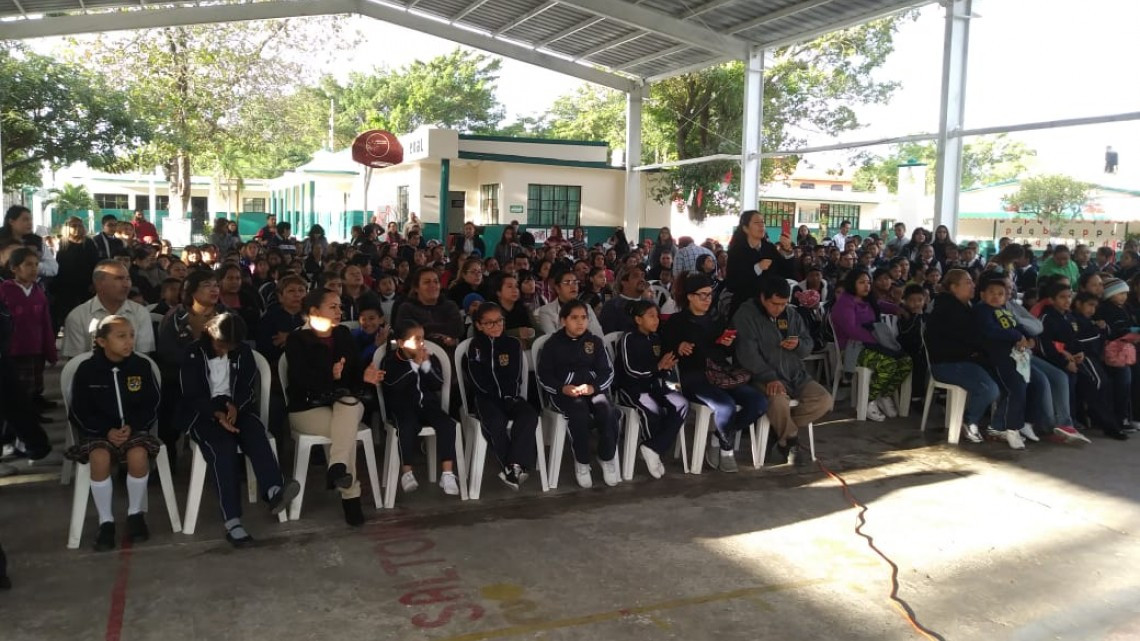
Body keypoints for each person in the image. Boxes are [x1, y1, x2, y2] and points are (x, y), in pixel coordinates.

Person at [178, 314, 301, 546]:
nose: (226, 351)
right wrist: (216, 414)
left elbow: (246, 386)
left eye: (231, 347)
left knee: (256, 434)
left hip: (236, 408)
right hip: (204, 413)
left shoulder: (243, 352)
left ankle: (274, 489)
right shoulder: (193, 353)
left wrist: (235, 406)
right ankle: (232, 520)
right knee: (222, 450)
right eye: (222, 345)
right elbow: (191, 394)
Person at [285, 289, 384, 525]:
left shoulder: (342, 335)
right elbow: (300, 381)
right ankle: (350, 495)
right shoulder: (297, 340)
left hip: (344, 403)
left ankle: (338, 468)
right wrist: (329, 376)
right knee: (344, 430)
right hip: (308, 407)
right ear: (313, 311)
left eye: (340, 306)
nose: (340, 311)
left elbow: (354, 377)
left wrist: (366, 376)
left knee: (348, 407)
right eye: (333, 307)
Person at [66, 316, 162, 551]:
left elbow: (152, 403)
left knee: (138, 456)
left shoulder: (141, 366)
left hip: (133, 430)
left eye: (131, 335)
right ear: (101, 341)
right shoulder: (88, 370)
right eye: (121, 336)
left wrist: (134, 425)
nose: (129, 341)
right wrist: (105, 431)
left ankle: (135, 514)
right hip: (99, 432)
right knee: (99, 459)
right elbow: (79, 410)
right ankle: (106, 521)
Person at [662, 274, 766, 472]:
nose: (707, 299)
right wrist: (679, 347)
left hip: (721, 373)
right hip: (695, 377)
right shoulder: (677, 322)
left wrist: (728, 344)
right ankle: (726, 449)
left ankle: (720, 436)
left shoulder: (716, 318)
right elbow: (666, 348)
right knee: (725, 406)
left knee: (758, 402)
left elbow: (727, 351)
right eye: (702, 295)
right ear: (690, 297)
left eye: (710, 295)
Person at [733, 277, 830, 466]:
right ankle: (789, 439)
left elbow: (808, 343)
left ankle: (777, 430)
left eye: (784, 304)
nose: (779, 308)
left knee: (824, 400)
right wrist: (769, 377)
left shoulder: (791, 314)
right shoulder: (745, 315)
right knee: (778, 401)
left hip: (795, 374)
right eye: (775, 304)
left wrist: (799, 345)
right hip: (761, 375)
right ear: (763, 298)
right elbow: (747, 354)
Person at [537, 300, 622, 488]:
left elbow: (607, 372)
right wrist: (562, 388)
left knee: (608, 411)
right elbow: (545, 376)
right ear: (563, 321)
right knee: (579, 413)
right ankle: (582, 462)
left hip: (592, 390)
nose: (580, 322)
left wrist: (594, 388)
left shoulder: (594, 342)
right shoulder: (553, 345)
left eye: (584, 318)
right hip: (565, 394)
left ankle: (606, 457)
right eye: (574, 318)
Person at [381, 319, 461, 496]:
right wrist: (414, 365)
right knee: (407, 426)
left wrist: (426, 365)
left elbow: (438, 383)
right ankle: (407, 471)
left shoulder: (426, 357)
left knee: (447, 424)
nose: (421, 343)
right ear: (401, 343)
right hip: (402, 407)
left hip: (427, 405)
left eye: (422, 338)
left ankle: (447, 473)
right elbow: (393, 385)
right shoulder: (391, 360)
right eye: (416, 339)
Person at [464, 302, 539, 489]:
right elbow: (476, 377)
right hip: (486, 399)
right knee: (495, 421)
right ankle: (514, 468)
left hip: (510, 396)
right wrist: (492, 396)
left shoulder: (512, 344)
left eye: (499, 321)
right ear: (479, 325)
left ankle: (512, 467)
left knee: (529, 415)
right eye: (489, 323)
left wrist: (507, 396)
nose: (495, 326)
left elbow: (514, 375)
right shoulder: (475, 346)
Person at [925, 270, 1002, 443]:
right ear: (953, 287)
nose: (973, 285)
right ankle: (969, 421)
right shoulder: (948, 309)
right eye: (967, 282)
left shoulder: (966, 307)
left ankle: (1000, 425)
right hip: (947, 364)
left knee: (1004, 377)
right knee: (989, 388)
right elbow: (969, 340)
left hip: (965, 360)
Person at [615, 300, 687, 478]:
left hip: (654, 385)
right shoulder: (628, 339)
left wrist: (672, 382)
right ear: (638, 320)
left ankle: (653, 448)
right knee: (653, 409)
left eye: (657, 316)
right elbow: (631, 370)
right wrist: (658, 368)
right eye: (651, 316)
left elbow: (665, 367)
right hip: (632, 388)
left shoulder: (656, 338)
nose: (656, 320)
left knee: (681, 403)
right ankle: (653, 449)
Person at [830, 269, 912, 422]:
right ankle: (868, 401)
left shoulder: (868, 300)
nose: (866, 286)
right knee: (888, 363)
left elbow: (881, 304)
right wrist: (878, 343)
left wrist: (897, 309)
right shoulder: (844, 303)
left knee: (906, 362)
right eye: (861, 282)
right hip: (852, 349)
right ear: (852, 284)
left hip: (871, 344)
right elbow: (852, 330)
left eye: (868, 282)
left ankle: (884, 394)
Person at [972, 273, 1033, 449]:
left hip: (1014, 356)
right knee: (1015, 388)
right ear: (982, 294)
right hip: (995, 357)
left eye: (1000, 293)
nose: (996, 296)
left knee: (1020, 386)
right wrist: (1016, 336)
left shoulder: (1004, 311)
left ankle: (1001, 425)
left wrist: (1028, 338)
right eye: (991, 292)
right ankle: (1011, 428)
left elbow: (1018, 327)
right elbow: (990, 331)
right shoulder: (981, 311)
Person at [62, 260, 156, 358]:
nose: (126, 285)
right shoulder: (78, 316)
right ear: (99, 284)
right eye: (119, 279)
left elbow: (143, 357)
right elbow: (75, 362)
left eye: (128, 279)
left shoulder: (140, 313)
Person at [0, 248, 57, 407]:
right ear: (14, 268)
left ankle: (34, 410)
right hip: (13, 350)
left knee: (34, 383)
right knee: (18, 388)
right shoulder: (4, 290)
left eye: (36, 264)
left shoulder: (39, 292)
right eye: (28, 264)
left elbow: (46, 323)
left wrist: (50, 350)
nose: (34, 269)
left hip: (35, 347)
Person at [725, 210, 793, 316]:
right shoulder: (736, 251)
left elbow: (787, 273)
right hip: (744, 308)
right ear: (745, 228)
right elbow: (732, 283)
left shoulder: (769, 248)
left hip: (769, 308)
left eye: (763, 222)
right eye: (757, 223)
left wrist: (788, 250)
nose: (761, 226)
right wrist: (757, 268)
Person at [393, 267, 464, 350]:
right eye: (427, 282)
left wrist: (425, 330)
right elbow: (406, 334)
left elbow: (458, 330)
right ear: (416, 288)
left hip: (448, 353)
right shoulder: (406, 308)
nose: (433, 285)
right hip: (416, 354)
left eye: (436, 281)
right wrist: (441, 333)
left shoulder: (450, 306)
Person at [536, 267, 604, 337]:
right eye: (567, 283)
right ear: (557, 288)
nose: (573, 286)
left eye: (575, 282)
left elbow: (598, 335)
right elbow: (552, 339)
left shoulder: (587, 307)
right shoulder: (546, 311)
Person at [255, 274, 307, 365]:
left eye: (301, 290)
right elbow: (264, 347)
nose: (297, 294)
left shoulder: (313, 316)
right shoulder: (269, 317)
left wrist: (291, 338)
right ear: (280, 296)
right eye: (291, 291)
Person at [600, 264, 649, 334]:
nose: (642, 280)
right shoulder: (611, 307)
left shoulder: (650, 305)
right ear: (624, 282)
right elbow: (609, 338)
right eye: (636, 276)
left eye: (642, 276)